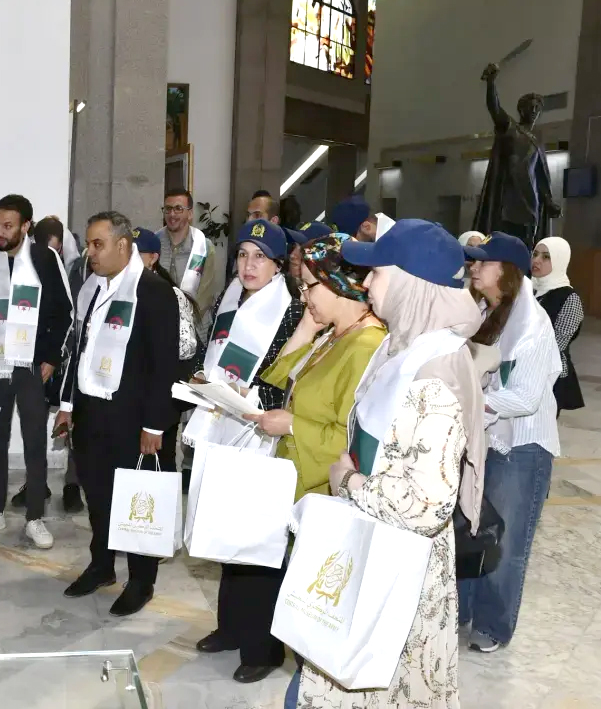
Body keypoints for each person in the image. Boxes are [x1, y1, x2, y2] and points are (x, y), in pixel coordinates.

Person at [284, 218, 486, 708]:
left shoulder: (436, 373)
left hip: (402, 574)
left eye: (377, 273)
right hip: (371, 551)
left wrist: (349, 480)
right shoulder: (404, 348)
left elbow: (427, 505)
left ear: (411, 285)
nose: (367, 283)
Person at [189, 220, 305, 684]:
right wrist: (201, 379)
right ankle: (232, 627)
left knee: (257, 540)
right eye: (242, 255)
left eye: (260, 256)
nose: (248, 265)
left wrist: (245, 398)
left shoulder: (290, 311)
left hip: (262, 435)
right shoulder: (230, 298)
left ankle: (264, 647)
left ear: (278, 265)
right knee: (225, 529)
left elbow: (283, 376)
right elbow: (210, 352)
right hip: (223, 426)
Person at [56, 211, 179, 616]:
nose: (90, 253)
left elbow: (164, 365)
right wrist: (68, 405)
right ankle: (102, 565)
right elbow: (82, 351)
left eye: (98, 245)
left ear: (123, 245)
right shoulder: (93, 289)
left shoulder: (155, 292)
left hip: (133, 418)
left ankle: (141, 580)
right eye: (90, 244)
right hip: (93, 413)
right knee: (98, 496)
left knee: (136, 502)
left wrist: (154, 424)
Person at [460, 231, 561, 653]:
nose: (475, 268)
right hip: (485, 435)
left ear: (508, 272)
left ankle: (493, 624)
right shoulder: (486, 311)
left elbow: (523, 397)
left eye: (484, 262)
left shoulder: (532, 326)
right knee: (471, 526)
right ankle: (462, 610)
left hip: (521, 446)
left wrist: (468, 400)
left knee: (509, 540)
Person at [0, 195, 73, 549]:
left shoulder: (45, 259)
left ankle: (35, 518)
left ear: (26, 226)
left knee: (34, 442)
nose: (0, 231)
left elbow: (62, 312)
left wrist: (51, 358)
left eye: (8, 225)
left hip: (30, 367)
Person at [252, 233, 385, 497]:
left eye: (309, 286)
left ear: (336, 283)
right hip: (294, 476)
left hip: (318, 490)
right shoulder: (336, 334)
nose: (303, 298)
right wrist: (305, 328)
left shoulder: (366, 346)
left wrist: (292, 426)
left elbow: (352, 440)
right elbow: (281, 380)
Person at [11, 216, 84, 513]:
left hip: (73, 358)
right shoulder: (29, 264)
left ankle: (72, 484)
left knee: (73, 423)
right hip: (39, 358)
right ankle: (35, 482)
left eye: (57, 249)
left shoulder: (83, 270)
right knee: (34, 423)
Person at [134, 228, 201, 476]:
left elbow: (185, 349)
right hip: (129, 400)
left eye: (136, 253)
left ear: (152, 257)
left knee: (161, 466)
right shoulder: (120, 291)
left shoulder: (170, 295)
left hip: (161, 398)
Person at [474, 63, 561, 248]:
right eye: (531, 106)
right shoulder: (511, 128)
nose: (535, 110)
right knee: (504, 248)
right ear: (521, 110)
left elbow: (541, 177)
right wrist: (491, 82)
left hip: (531, 205)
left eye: (538, 107)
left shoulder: (536, 141)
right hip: (509, 201)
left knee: (526, 249)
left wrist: (549, 201)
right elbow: (494, 108)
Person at [155, 188, 223, 325]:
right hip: (158, 322)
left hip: (195, 326)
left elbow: (204, 295)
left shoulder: (203, 246)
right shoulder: (154, 243)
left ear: (190, 214)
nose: (172, 214)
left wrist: (182, 323)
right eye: (168, 209)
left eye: (178, 208)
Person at [532, 237, 584, 413]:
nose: (537, 260)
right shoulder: (527, 289)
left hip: (550, 375)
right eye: (535, 254)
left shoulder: (568, 298)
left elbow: (557, 343)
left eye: (546, 256)